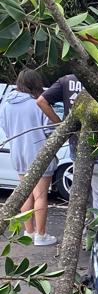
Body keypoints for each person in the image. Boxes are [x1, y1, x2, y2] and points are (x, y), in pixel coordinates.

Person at [37, 71, 98, 213]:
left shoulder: (66, 80)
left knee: (81, 196)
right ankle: (97, 232)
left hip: (76, 146)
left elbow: (41, 101)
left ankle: (84, 232)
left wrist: (61, 124)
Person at [0, 69, 57, 245]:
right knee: (40, 195)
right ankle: (41, 235)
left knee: (25, 194)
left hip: (18, 153)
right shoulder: (38, 104)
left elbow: (5, 128)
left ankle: (29, 232)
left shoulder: (6, 104)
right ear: (35, 83)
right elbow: (50, 129)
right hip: (38, 153)